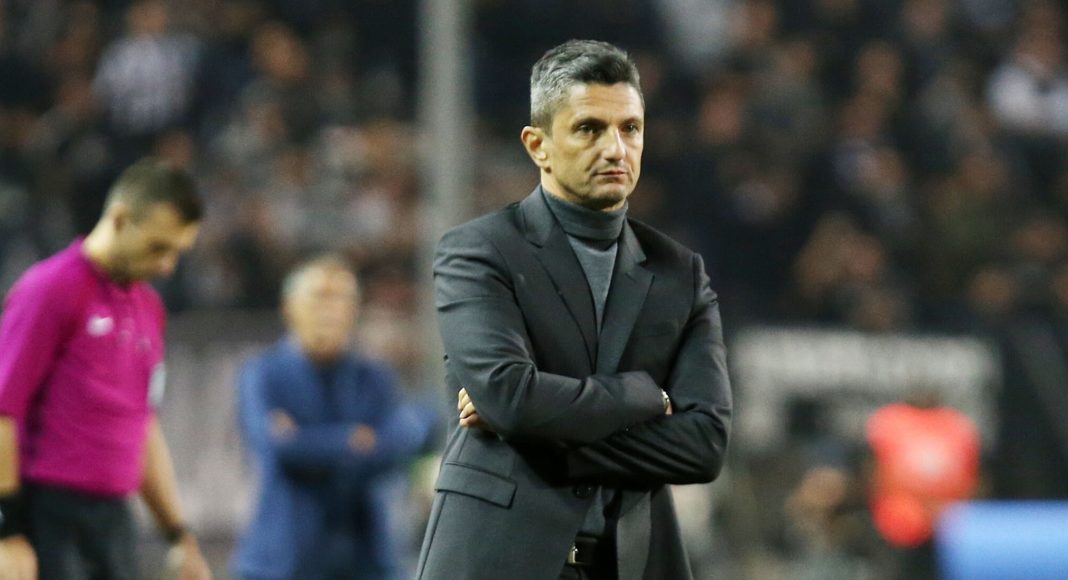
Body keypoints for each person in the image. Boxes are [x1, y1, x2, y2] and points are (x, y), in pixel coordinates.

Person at [416, 40, 733, 580]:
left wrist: (540, 432)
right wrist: (642, 396)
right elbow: (511, 396)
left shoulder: (680, 273)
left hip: (628, 564)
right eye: (589, 129)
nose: (616, 149)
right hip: (495, 562)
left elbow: (704, 446)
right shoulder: (478, 251)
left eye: (630, 128)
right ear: (537, 145)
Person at [0, 158, 209, 580]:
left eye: (177, 252)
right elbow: (3, 410)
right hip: (48, 516)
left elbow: (142, 424)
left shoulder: (149, 307)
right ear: (119, 218)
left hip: (114, 520)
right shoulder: (51, 289)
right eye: (157, 247)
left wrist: (177, 533)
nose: (167, 266)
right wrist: (8, 529)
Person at [232, 255, 427, 580]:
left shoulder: (373, 376)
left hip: (365, 559)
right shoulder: (263, 373)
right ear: (289, 308)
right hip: (283, 561)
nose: (331, 310)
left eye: (341, 299)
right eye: (319, 297)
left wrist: (307, 440)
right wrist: (355, 440)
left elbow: (401, 442)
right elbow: (278, 448)